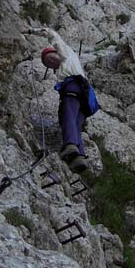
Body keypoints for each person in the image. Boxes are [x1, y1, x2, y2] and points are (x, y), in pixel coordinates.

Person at [37, 27, 91, 174]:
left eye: (50, 57)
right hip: (85, 96)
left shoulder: (66, 53)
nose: (51, 62)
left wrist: (33, 31)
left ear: (56, 52)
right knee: (75, 123)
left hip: (73, 88)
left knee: (66, 115)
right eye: (48, 63)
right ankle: (79, 157)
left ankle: (70, 145)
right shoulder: (71, 62)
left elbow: (54, 37)